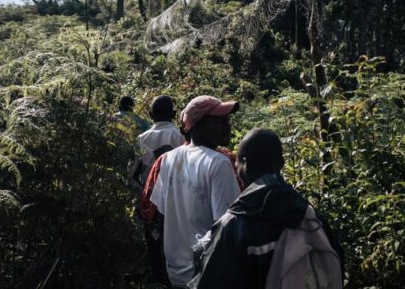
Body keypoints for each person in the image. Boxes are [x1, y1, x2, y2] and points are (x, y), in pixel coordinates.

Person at [188, 128, 342, 289]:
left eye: (237, 161)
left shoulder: (235, 225)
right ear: (281, 164)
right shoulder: (310, 217)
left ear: (245, 164)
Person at [150, 95, 241, 288]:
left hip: (176, 272)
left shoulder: (168, 159)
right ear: (197, 126)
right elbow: (226, 230)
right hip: (205, 274)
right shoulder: (218, 163)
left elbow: (162, 215)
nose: (227, 126)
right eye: (219, 121)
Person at [130, 95, 185, 286]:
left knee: (154, 250)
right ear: (174, 114)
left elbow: (130, 175)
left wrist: (143, 197)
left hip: (150, 205)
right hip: (177, 203)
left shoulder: (140, 139)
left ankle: (159, 281)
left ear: (150, 115)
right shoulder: (181, 137)